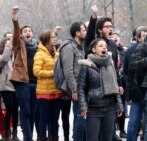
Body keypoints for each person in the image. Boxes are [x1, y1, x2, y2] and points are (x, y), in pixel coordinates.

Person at [59, 5, 97, 141]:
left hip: (83, 88)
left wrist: (94, 17)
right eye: (83, 30)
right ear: (77, 33)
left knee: (82, 117)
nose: (86, 32)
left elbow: (92, 35)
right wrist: (74, 90)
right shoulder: (68, 47)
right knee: (80, 118)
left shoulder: (81, 47)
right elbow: (68, 71)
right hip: (76, 90)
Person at [77, 38, 123, 141]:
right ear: (93, 50)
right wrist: (83, 106)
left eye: (105, 46)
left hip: (110, 107)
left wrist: (119, 104)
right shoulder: (86, 65)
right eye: (101, 46)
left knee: (107, 138)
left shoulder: (110, 63)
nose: (104, 48)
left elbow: (115, 85)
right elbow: (81, 88)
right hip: (93, 108)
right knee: (92, 138)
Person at [11, 6, 39, 141]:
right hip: (23, 82)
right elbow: (16, 33)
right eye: (25, 31)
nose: (28, 33)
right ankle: (28, 137)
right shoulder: (18, 44)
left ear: (32, 34)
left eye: (30, 31)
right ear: (22, 34)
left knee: (33, 111)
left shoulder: (38, 46)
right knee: (25, 110)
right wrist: (15, 19)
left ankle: (29, 135)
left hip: (36, 82)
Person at [33, 30, 61, 141]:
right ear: (46, 40)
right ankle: (42, 138)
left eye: (55, 37)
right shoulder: (39, 54)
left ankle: (54, 138)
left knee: (55, 119)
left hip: (56, 91)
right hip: (44, 92)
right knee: (44, 119)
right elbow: (36, 72)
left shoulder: (56, 53)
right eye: (52, 37)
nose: (55, 39)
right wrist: (52, 73)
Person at [0, 37, 20, 141]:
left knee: (16, 110)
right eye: (8, 44)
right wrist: (8, 45)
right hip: (5, 86)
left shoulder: (14, 56)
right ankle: (7, 134)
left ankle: (15, 134)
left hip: (14, 86)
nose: (11, 45)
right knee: (10, 108)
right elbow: (4, 59)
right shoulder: (2, 57)